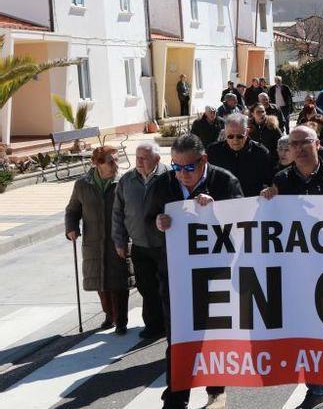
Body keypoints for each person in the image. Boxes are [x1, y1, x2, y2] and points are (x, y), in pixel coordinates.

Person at [259, 126, 323, 409]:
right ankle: (316, 388)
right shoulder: (281, 180)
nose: (299, 148)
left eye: (304, 143)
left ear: (317, 144)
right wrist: (267, 199)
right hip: (299, 268)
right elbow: (271, 221)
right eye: (293, 144)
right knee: (312, 327)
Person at [145, 134, 242, 409]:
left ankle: (216, 390)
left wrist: (216, 213)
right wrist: (158, 223)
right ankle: (176, 396)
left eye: (189, 167)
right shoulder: (162, 184)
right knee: (178, 338)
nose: (182, 174)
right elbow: (146, 220)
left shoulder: (225, 182)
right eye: (176, 167)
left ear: (204, 160)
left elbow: (243, 227)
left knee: (213, 335)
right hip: (176, 278)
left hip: (216, 277)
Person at [65, 146, 130, 335]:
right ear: (96, 164)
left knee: (119, 281)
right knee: (100, 282)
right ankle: (109, 315)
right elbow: (72, 210)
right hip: (93, 242)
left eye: (116, 160)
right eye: (110, 161)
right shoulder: (82, 185)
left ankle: (121, 320)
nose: (115, 165)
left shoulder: (123, 182)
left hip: (117, 239)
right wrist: (71, 228)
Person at [111, 141, 168, 340]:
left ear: (157, 159)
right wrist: (119, 241)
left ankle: (169, 324)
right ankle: (153, 325)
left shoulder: (169, 177)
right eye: (137, 157)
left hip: (165, 245)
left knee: (166, 287)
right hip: (140, 245)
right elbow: (118, 213)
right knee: (146, 287)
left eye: (144, 158)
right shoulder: (126, 181)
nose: (139, 161)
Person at [206, 113, 273, 197]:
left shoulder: (261, 152)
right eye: (230, 136)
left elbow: (269, 181)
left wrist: (268, 190)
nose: (235, 140)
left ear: (247, 132)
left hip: (251, 204)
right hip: (222, 205)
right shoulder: (213, 151)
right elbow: (204, 180)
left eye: (239, 136)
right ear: (225, 133)